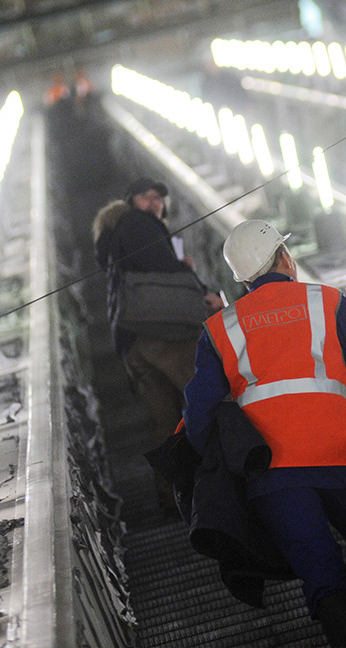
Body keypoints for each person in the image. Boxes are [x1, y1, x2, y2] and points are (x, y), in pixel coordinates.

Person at [184, 220, 346, 647]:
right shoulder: (327, 302)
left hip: (273, 476)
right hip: (341, 457)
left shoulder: (220, 329)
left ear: (244, 278)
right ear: (285, 259)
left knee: (320, 572)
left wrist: (222, 466)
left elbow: (198, 414)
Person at [94, 178, 222, 474]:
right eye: (146, 197)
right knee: (204, 401)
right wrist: (193, 278)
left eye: (158, 199)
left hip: (132, 341)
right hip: (166, 333)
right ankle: (220, 476)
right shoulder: (139, 224)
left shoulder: (114, 234)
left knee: (164, 420)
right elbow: (162, 267)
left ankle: (173, 490)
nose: (154, 203)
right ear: (131, 201)